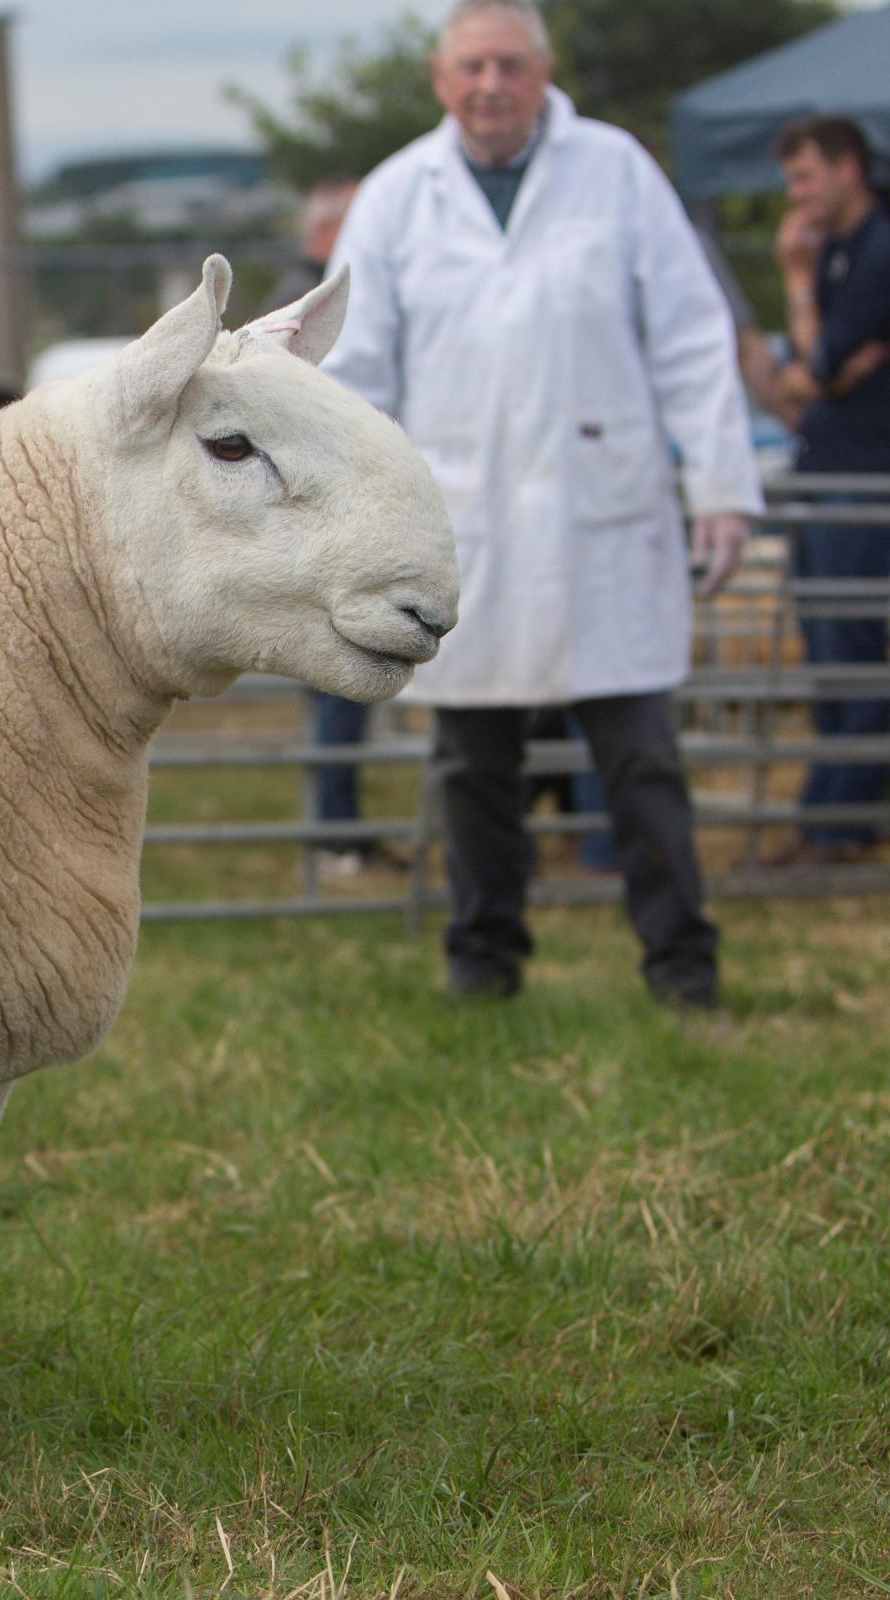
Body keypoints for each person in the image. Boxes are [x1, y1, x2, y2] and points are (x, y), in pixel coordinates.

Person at [323, 0, 762, 1009]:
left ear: (545, 71)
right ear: (442, 78)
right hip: (467, 525)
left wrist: (723, 487)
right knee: (474, 766)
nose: (491, 85)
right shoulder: (397, 197)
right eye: (472, 66)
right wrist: (356, 523)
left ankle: (684, 970)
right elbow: (358, 374)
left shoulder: (616, 173)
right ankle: (484, 965)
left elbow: (693, 338)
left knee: (642, 761)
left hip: (602, 515)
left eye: (510, 66)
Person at [759, 115, 890, 867]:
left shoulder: (873, 251)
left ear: (848, 168)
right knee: (830, 655)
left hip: (861, 482)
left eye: (806, 177)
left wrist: (797, 283)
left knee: (852, 651)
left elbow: (815, 368)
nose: (796, 196)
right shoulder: (845, 247)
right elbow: (813, 375)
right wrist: (820, 370)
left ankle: (842, 822)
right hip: (829, 474)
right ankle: (828, 815)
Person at [276, 179, 400, 878]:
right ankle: (336, 838)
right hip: (324, 527)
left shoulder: (309, 295)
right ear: (325, 235)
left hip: (334, 519)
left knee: (346, 690)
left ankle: (341, 831)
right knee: (339, 684)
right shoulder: (306, 307)